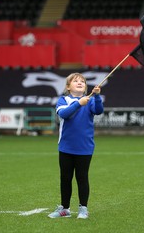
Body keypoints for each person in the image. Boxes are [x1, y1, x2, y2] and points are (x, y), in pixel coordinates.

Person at [48, 72, 104, 219]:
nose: (80, 83)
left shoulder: (90, 100)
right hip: (66, 146)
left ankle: (83, 208)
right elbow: (64, 114)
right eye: (76, 81)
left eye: (83, 81)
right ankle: (64, 208)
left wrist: (97, 96)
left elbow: (99, 110)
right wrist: (78, 103)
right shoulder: (63, 100)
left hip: (85, 147)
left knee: (82, 177)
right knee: (65, 178)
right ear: (68, 86)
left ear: (86, 87)